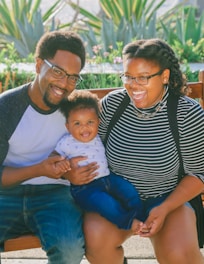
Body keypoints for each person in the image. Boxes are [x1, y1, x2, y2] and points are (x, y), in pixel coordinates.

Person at [81, 39, 204, 264]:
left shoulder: (187, 113)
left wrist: (165, 208)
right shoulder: (113, 105)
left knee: (180, 257)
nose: (133, 85)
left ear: (164, 76)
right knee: (94, 239)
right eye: (128, 76)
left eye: (143, 77)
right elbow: (89, 147)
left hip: (169, 199)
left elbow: (199, 174)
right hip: (118, 200)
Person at [0, 30, 98, 264]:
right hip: (6, 194)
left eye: (73, 77)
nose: (65, 84)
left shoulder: (76, 110)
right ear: (38, 65)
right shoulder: (7, 107)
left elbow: (93, 154)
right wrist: (39, 169)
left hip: (56, 195)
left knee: (70, 250)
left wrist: (74, 174)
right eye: (58, 72)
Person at [53, 89, 143, 231]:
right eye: (77, 123)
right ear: (68, 126)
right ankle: (127, 222)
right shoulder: (67, 142)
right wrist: (62, 163)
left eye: (90, 122)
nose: (84, 127)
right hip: (85, 188)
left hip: (108, 178)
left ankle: (140, 216)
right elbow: (53, 157)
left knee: (129, 190)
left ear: (98, 123)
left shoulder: (98, 136)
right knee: (106, 203)